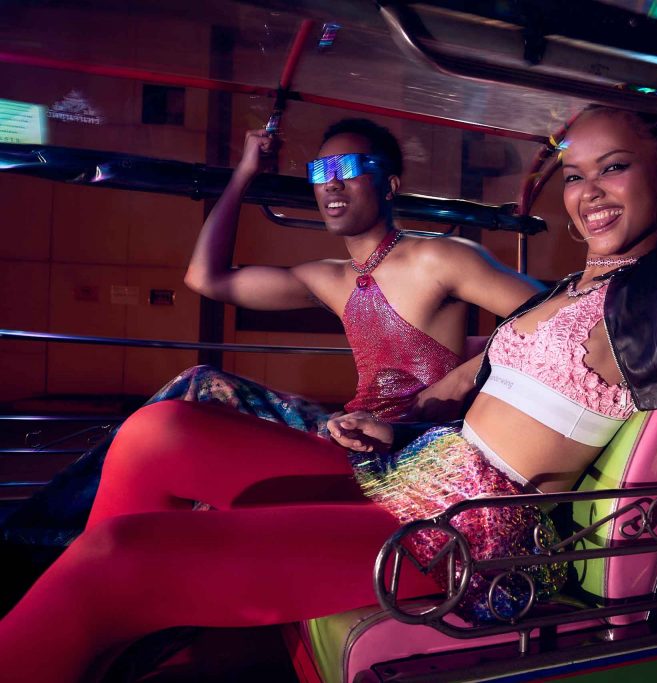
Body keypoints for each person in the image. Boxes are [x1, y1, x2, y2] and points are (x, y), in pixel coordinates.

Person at [0, 88, 657, 682]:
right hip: (410, 468)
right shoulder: (568, 288)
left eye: (614, 168)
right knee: (163, 432)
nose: (587, 194)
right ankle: (112, 648)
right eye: (576, 175)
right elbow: (488, 375)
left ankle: (84, 624)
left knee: (113, 564)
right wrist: (407, 416)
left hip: (458, 536)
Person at [0, 118, 540, 546]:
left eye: (350, 166)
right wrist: (244, 173)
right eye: (320, 169)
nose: (331, 181)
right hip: (343, 431)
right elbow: (204, 278)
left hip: (407, 444)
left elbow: (550, 314)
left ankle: (38, 535)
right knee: (193, 421)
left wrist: (450, 388)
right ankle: (74, 540)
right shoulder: (329, 279)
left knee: (202, 386)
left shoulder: (439, 256)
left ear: (389, 183)